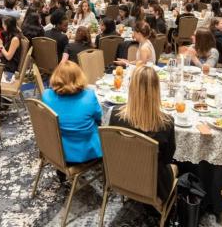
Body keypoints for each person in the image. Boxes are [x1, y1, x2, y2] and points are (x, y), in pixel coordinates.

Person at [109, 65, 175, 200]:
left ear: (131, 87)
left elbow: (113, 150)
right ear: (157, 90)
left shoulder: (116, 115)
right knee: (173, 167)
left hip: (120, 176)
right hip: (153, 186)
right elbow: (168, 158)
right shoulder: (166, 123)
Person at [42, 61, 102, 164]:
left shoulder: (46, 96)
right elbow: (99, 118)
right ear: (79, 77)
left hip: (57, 150)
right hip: (86, 152)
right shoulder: (89, 96)